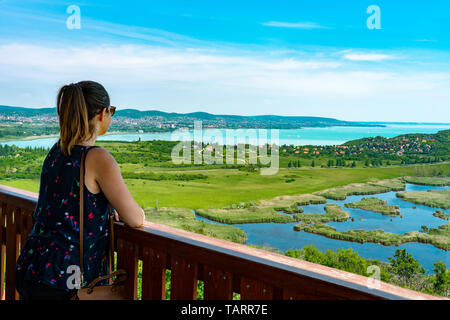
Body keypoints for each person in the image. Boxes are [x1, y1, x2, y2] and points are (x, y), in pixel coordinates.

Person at [15, 80, 145, 300]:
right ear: (103, 113)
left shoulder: (57, 151)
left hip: (32, 266)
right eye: (111, 111)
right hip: (68, 281)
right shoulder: (98, 158)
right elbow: (135, 219)